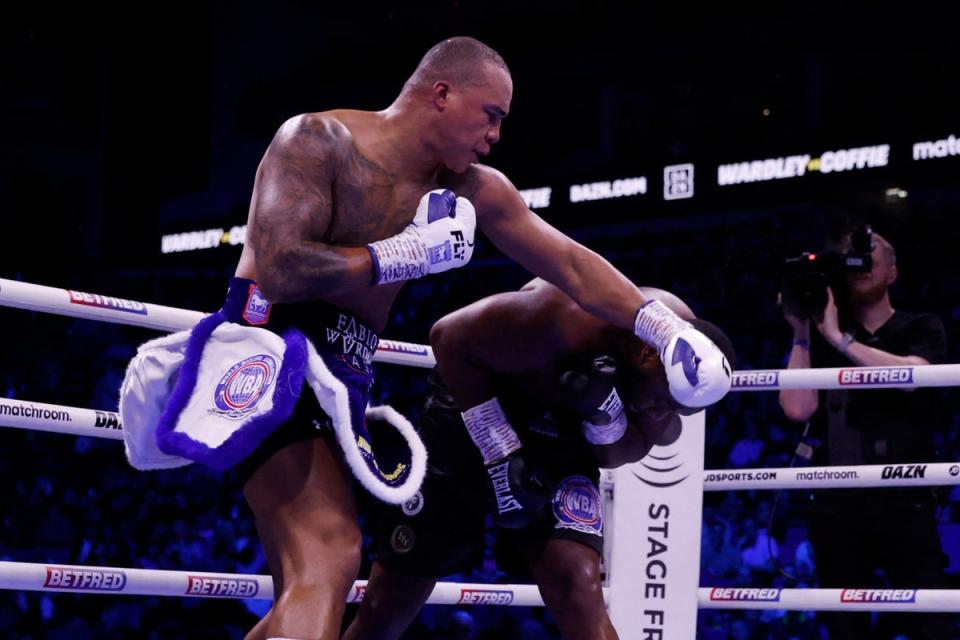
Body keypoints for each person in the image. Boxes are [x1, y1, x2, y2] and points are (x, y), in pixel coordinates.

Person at [120, 37, 731, 640]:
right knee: (330, 555)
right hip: (270, 350)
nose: (495, 136)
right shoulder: (317, 139)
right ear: (442, 93)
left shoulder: (471, 189)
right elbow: (281, 268)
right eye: (490, 116)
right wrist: (402, 254)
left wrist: (661, 325)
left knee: (311, 582)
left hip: (346, 373)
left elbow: (569, 264)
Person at [342, 279, 736, 640]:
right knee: (386, 606)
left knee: (578, 587)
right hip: (471, 417)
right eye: (662, 400)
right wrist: (500, 452)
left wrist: (606, 417)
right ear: (648, 352)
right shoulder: (568, 315)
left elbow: (622, 452)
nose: (659, 411)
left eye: (673, 409)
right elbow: (448, 338)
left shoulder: (680, 374)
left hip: (561, 446)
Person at [779, 231, 951, 639]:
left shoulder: (921, 326)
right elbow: (797, 408)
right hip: (837, 499)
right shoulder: (823, 333)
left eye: (868, 253)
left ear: (892, 272)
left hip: (904, 498)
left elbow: (912, 378)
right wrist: (802, 333)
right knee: (844, 626)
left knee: (931, 622)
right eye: (849, 256)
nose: (857, 261)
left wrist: (842, 340)